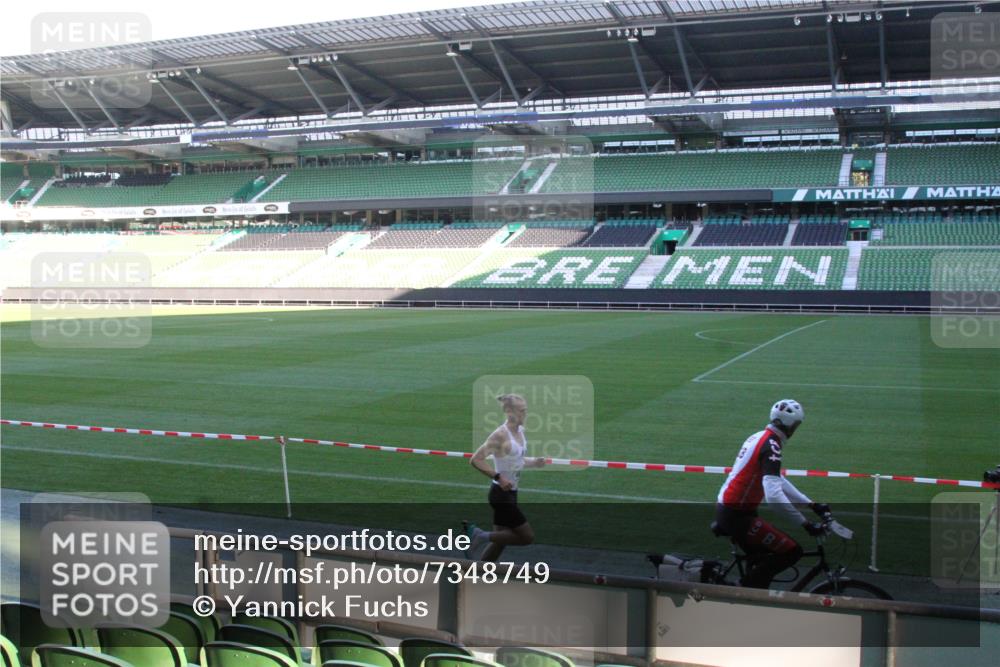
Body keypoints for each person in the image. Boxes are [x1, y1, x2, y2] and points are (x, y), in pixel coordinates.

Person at [712, 399, 830, 589]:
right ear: (790, 425)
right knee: (791, 551)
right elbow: (773, 496)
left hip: (734, 510)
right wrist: (805, 524)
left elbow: (776, 480)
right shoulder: (772, 446)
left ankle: (751, 592)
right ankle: (743, 591)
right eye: (797, 425)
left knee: (763, 560)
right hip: (737, 515)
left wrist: (812, 504)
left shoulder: (760, 437)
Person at [464, 393, 546, 561]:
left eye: (525, 410)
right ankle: (480, 535)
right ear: (509, 411)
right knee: (526, 537)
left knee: (499, 541)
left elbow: (517, 461)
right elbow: (476, 460)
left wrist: (534, 463)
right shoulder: (500, 435)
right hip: (500, 495)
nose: (525, 414)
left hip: (511, 493)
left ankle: (479, 574)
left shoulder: (520, 432)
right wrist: (499, 478)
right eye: (521, 411)